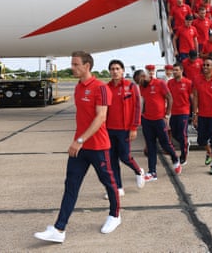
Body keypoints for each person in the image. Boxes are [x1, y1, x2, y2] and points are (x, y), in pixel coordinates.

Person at [34, 51, 120, 244]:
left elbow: (101, 117)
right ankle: (59, 228)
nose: (72, 68)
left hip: (98, 146)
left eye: (75, 64)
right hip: (80, 148)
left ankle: (115, 215)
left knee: (108, 182)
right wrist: (79, 142)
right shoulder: (78, 88)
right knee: (70, 186)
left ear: (87, 66)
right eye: (72, 64)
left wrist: (79, 140)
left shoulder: (101, 88)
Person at [106, 59, 145, 200]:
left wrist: (134, 127)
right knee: (112, 159)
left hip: (124, 129)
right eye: (112, 69)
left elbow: (137, 107)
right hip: (109, 129)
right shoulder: (106, 88)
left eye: (117, 68)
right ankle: (119, 188)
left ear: (122, 71)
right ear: (109, 72)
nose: (115, 71)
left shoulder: (131, 86)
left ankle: (138, 170)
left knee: (124, 156)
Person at [138, 65, 182, 181]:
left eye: (142, 80)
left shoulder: (160, 83)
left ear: (145, 76)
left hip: (159, 119)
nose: (141, 83)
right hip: (147, 120)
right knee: (151, 146)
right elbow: (143, 101)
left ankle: (175, 158)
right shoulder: (142, 86)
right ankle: (152, 172)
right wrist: (141, 116)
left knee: (165, 144)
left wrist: (167, 115)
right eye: (139, 82)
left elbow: (170, 98)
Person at [167, 62, 193, 165]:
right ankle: (186, 142)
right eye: (173, 70)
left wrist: (194, 112)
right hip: (173, 112)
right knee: (174, 133)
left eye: (177, 70)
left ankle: (184, 156)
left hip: (184, 112)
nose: (174, 72)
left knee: (182, 134)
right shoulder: (170, 83)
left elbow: (192, 97)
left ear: (181, 71)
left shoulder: (188, 82)